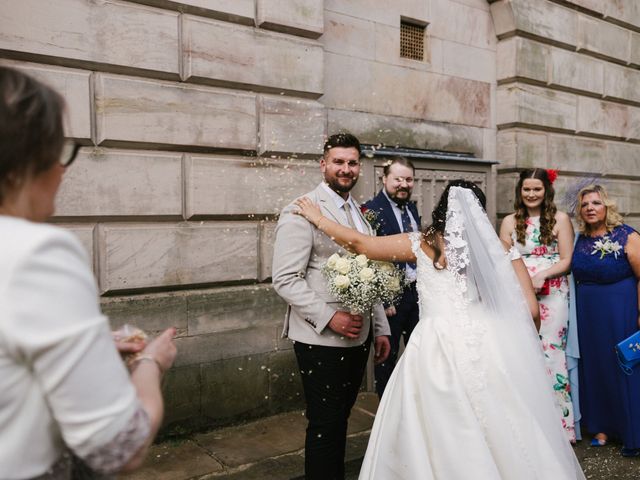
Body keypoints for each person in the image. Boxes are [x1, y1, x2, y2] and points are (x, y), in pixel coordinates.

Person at [295, 180, 585, 479]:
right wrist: (513, 344)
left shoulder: (422, 242)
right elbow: (532, 311)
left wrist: (318, 218)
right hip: (484, 345)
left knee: (433, 425)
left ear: (441, 208)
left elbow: (361, 244)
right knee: (503, 423)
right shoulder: (500, 249)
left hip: (435, 348)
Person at [0, 66, 177, 479]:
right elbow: (120, 447)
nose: (63, 170)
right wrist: (151, 363)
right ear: (22, 163)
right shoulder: (34, 251)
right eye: (58, 152)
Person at [271, 133, 391, 480]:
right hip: (320, 339)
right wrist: (330, 317)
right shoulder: (301, 209)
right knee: (325, 426)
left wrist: (380, 328)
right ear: (323, 164)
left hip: (360, 336)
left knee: (341, 420)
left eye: (352, 162)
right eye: (338, 161)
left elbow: (374, 271)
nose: (345, 169)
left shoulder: (359, 212)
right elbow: (285, 278)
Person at [499, 168, 576, 442]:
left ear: (546, 191)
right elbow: (501, 260)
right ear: (520, 191)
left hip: (552, 293)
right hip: (518, 293)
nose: (531, 194)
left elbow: (567, 259)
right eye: (526, 189)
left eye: (537, 189)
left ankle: (561, 426)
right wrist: (521, 281)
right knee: (521, 351)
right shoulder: (508, 222)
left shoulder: (560, 219)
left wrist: (543, 274)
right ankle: (527, 423)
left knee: (551, 352)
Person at [571, 184, 640, 457]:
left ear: (606, 207)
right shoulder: (579, 238)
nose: (590, 208)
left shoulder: (627, 235)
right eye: (585, 204)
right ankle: (600, 426)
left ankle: (629, 429)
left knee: (623, 365)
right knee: (595, 364)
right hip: (588, 312)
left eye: (596, 203)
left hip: (620, 307)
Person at [362, 157, 421, 398]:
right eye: (397, 179)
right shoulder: (370, 210)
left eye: (408, 179)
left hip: (415, 294)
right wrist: (383, 300)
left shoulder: (412, 208)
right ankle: (386, 409)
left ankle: (416, 402)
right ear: (384, 179)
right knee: (387, 356)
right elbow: (368, 257)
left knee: (420, 351)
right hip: (391, 302)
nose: (403, 184)